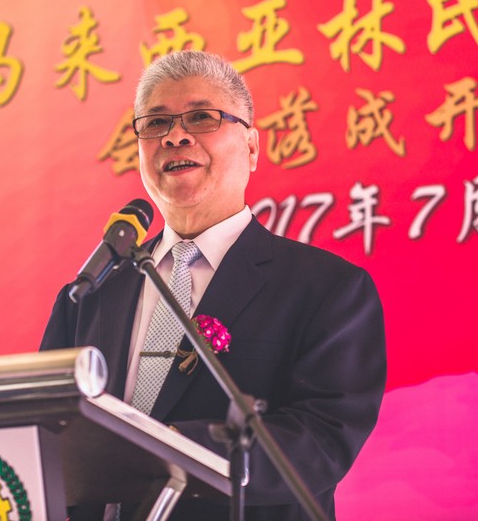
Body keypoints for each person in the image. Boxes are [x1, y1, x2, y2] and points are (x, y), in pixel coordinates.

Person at [40, 50, 386, 520]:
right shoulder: (91, 293)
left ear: (251, 147)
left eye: (201, 117)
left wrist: (171, 452)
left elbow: (322, 440)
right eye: (156, 123)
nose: (175, 136)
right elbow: (48, 432)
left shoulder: (328, 289)